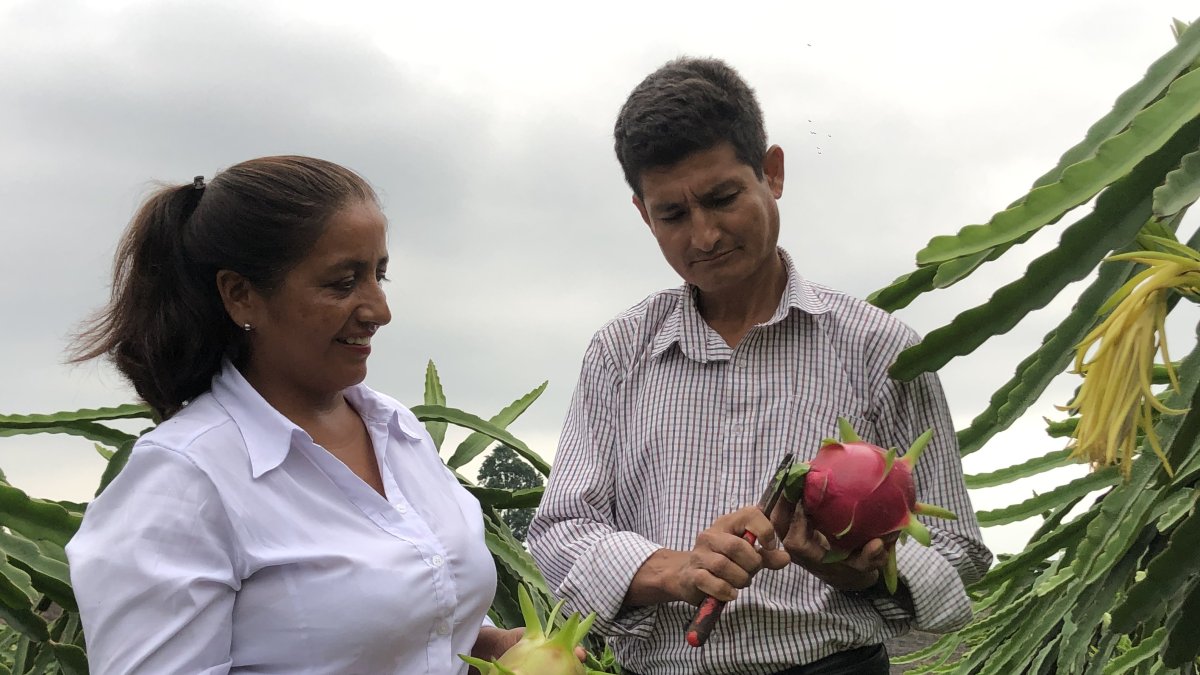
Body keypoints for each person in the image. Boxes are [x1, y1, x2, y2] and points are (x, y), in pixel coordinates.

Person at [526, 58, 993, 675]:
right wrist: (673, 569)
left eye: (723, 199)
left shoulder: (879, 350)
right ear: (642, 212)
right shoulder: (620, 354)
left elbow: (957, 546)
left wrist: (859, 569)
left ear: (771, 174)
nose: (704, 236)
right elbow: (560, 530)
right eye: (672, 215)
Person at [66, 156, 522, 674]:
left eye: (379, 274)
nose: (379, 309)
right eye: (342, 283)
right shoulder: (185, 483)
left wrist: (485, 648)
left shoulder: (398, 431)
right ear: (240, 296)